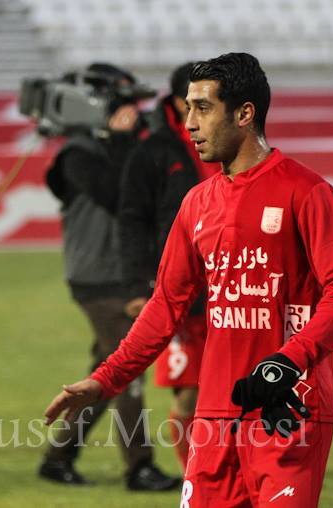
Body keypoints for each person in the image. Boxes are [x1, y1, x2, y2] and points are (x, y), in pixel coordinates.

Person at [44, 53, 333, 507]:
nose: (189, 121)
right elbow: (166, 305)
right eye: (186, 108)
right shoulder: (197, 204)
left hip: (286, 408)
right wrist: (106, 379)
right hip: (214, 415)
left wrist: (289, 361)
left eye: (202, 107)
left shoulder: (306, 192)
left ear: (244, 113)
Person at [38, 63, 179, 491]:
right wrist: (122, 141)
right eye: (125, 106)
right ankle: (139, 466)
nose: (133, 114)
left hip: (115, 273)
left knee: (106, 370)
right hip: (99, 276)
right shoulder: (77, 153)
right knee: (129, 368)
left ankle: (58, 456)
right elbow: (121, 196)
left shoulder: (116, 146)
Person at [119, 61, 212, 475]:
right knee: (189, 393)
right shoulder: (155, 150)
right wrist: (140, 284)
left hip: (233, 284)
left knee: (237, 388)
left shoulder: (230, 142)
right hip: (183, 289)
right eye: (197, 102)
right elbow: (133, 219)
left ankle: (231, 470)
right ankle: (195, 474)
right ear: (178, 102)